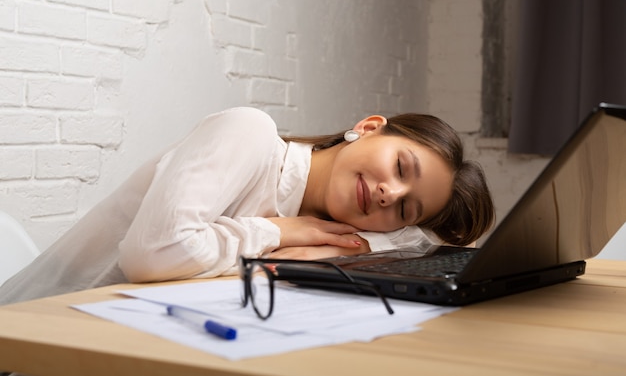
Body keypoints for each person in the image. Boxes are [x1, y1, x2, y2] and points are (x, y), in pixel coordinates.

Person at [0, 107, 494, 305]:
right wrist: (277, 233)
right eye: (401, 168)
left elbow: (424, 244)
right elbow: (151, 254)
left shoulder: (334, 228)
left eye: (406, 207)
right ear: (367, 127)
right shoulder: (250, 134)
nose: (391, 194)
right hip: (37, 332)